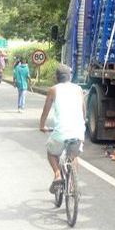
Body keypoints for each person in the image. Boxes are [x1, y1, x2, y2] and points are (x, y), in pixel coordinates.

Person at [39, 65, 86, 194]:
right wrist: (83, 122)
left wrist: (42, 126)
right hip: (78, 131)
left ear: (56, 77)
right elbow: (83, 110)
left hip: (61, 132)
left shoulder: (53, 90)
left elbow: (45, 111)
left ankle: (58, 174)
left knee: (51, 153)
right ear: (70, 76)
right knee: (73, 156)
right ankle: (72, 186)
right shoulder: (78, 89)